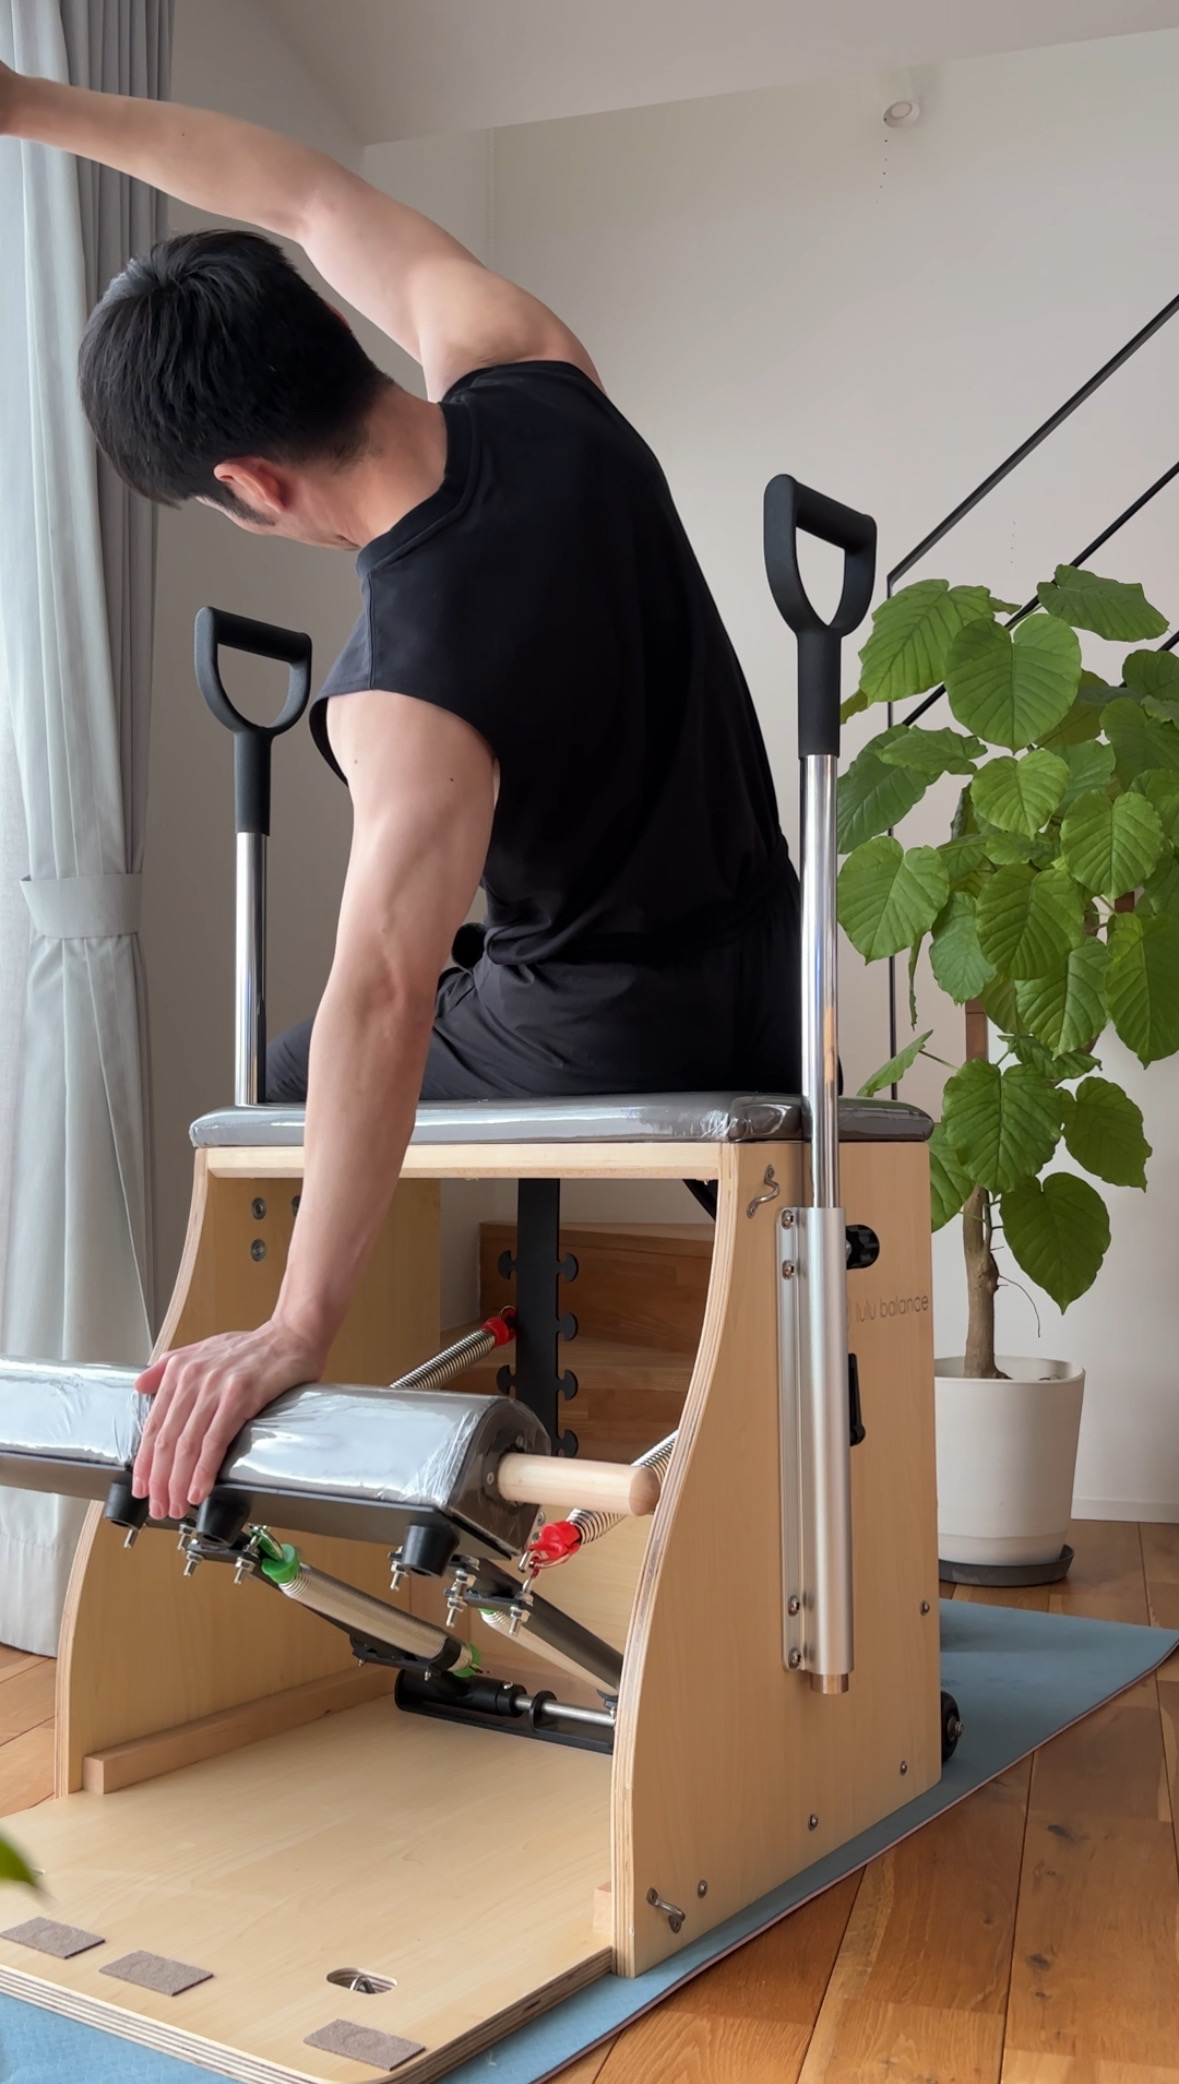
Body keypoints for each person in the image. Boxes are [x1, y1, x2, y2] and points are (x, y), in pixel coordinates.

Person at [0, 61, 800, 1522]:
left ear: (251, 485)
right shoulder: (526, 365)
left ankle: (322, 1459)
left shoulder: (406, 691)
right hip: (775, 956)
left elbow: (382, 993)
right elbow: (303, 193)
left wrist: (296, 1324)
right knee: (421, 1002)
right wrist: (26, 106)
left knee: (293, 1078)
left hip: (613, 1024)